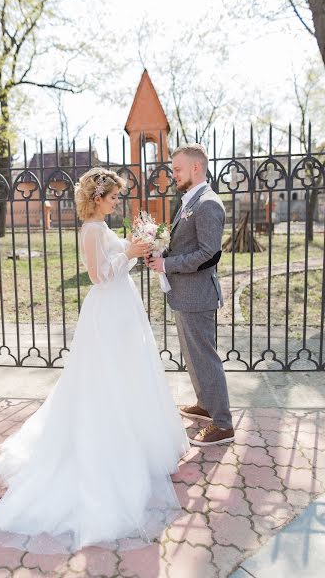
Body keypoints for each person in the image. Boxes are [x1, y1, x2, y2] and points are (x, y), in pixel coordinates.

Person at [0, 167, 189, 554]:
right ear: (97, 198)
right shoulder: (91, 230)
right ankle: (108, 442)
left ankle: (135, 439)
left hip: (122, 307)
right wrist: (129, 251)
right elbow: (97, 275)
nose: (116, 201)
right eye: (112, 197)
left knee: (127, 376)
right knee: (105, 380)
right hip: (107, 310)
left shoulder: (102, 227)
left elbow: (118, 260)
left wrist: (138, 246)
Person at [147, 144, 234, 446]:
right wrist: (160, 251)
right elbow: (188, 245)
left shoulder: (208, 203)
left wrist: (167, 263)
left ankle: (223, 424)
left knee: (205, 359)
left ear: (196, 167)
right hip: (184, 294)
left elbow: (210, 254)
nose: (173, 174)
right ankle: (206, 405)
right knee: (194, 357)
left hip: (198, 296)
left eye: (177, 169)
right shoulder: (190, 201)